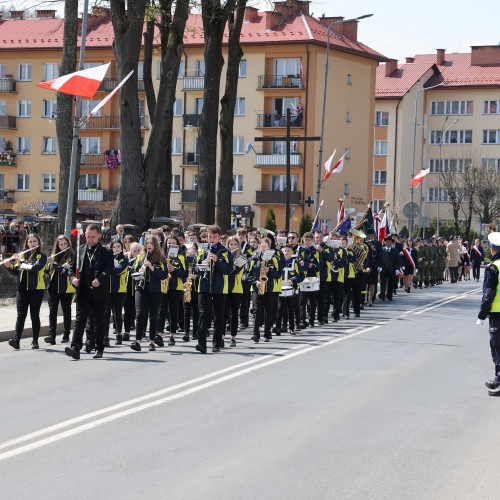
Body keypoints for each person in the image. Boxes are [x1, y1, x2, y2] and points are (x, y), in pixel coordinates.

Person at [65, 224, 114, 360]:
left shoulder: (106, 251)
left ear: (99, 235)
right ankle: (75, 348)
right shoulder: (80, 249)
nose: (90, 239)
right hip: (83, 291)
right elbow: (71, 268)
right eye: (87, 236)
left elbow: (109, 269)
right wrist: (73, 278)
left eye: (93, 237)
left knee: (99, 321)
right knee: (80, 320)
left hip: (99, 291)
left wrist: (100, 279)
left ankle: (99, 347)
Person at [5, 233, 47, 350]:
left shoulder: (41, 256)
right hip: (22, 289)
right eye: (30, 241)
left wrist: (21, 261)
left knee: (34, 315)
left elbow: (35, 268)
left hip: (36, 289)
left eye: (34, 241)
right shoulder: (22, 255)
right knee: (20, 315)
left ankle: (35, 341)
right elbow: (17, 271)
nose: (32, 243)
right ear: (27, 243)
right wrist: (9, 266)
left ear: (38, 243)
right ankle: (16, 340)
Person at [195, 225, 232, 353]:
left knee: (218, 316)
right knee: (203, 315)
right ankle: (201, 344)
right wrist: (202, 264)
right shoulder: (202, 250)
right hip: (204, 287)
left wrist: (217, 261)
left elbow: (228, 270)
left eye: (214, 237)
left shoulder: (225, 251)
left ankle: (216, 343)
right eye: (209, 237)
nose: (211, 239)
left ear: (219, 237)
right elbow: (195, 269)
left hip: (219, 288)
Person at [130, 234, 168, 352]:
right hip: (141, 288)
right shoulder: (140, 257)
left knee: (153, 316)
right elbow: (132, 270)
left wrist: (152, 267)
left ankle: (152, 341)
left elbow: (164, 275)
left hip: (155, 290)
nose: (149, 245)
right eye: (147, 243)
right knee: (140, 314)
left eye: (151, 243)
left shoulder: (161, 258)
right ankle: (138, 341)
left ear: (155, 245)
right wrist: (139, 270)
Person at [477, 232, 500, 396]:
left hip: (498, 314)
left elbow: (489, 294)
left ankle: (499, 381)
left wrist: (481, 315)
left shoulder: (494, 268)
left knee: (497, 348)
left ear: (492, 249)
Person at [44, 235, 75, 345]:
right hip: (53, 288)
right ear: (57, 246)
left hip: (66, 288)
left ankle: (66, 334)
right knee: (52, 312)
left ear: (68, 244)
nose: (63, 246)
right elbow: (47, 271)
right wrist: (47, 265)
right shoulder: (54, 256)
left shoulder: (71, 256)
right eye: (60, 244)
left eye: (65, 244)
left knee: (67, 311)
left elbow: (65, 271)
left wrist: (54, 264)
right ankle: (52, 335)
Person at [104, 240, 129, 347]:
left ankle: (119, 334)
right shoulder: (107, 258)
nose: (116, 249)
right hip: (107, 289)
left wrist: (109, 268)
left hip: (119, 290)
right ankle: (105, 337)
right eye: (114, 247)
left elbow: (117, 270)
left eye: (119, 246)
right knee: (105, 314)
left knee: (117, 314)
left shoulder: (124, 259)